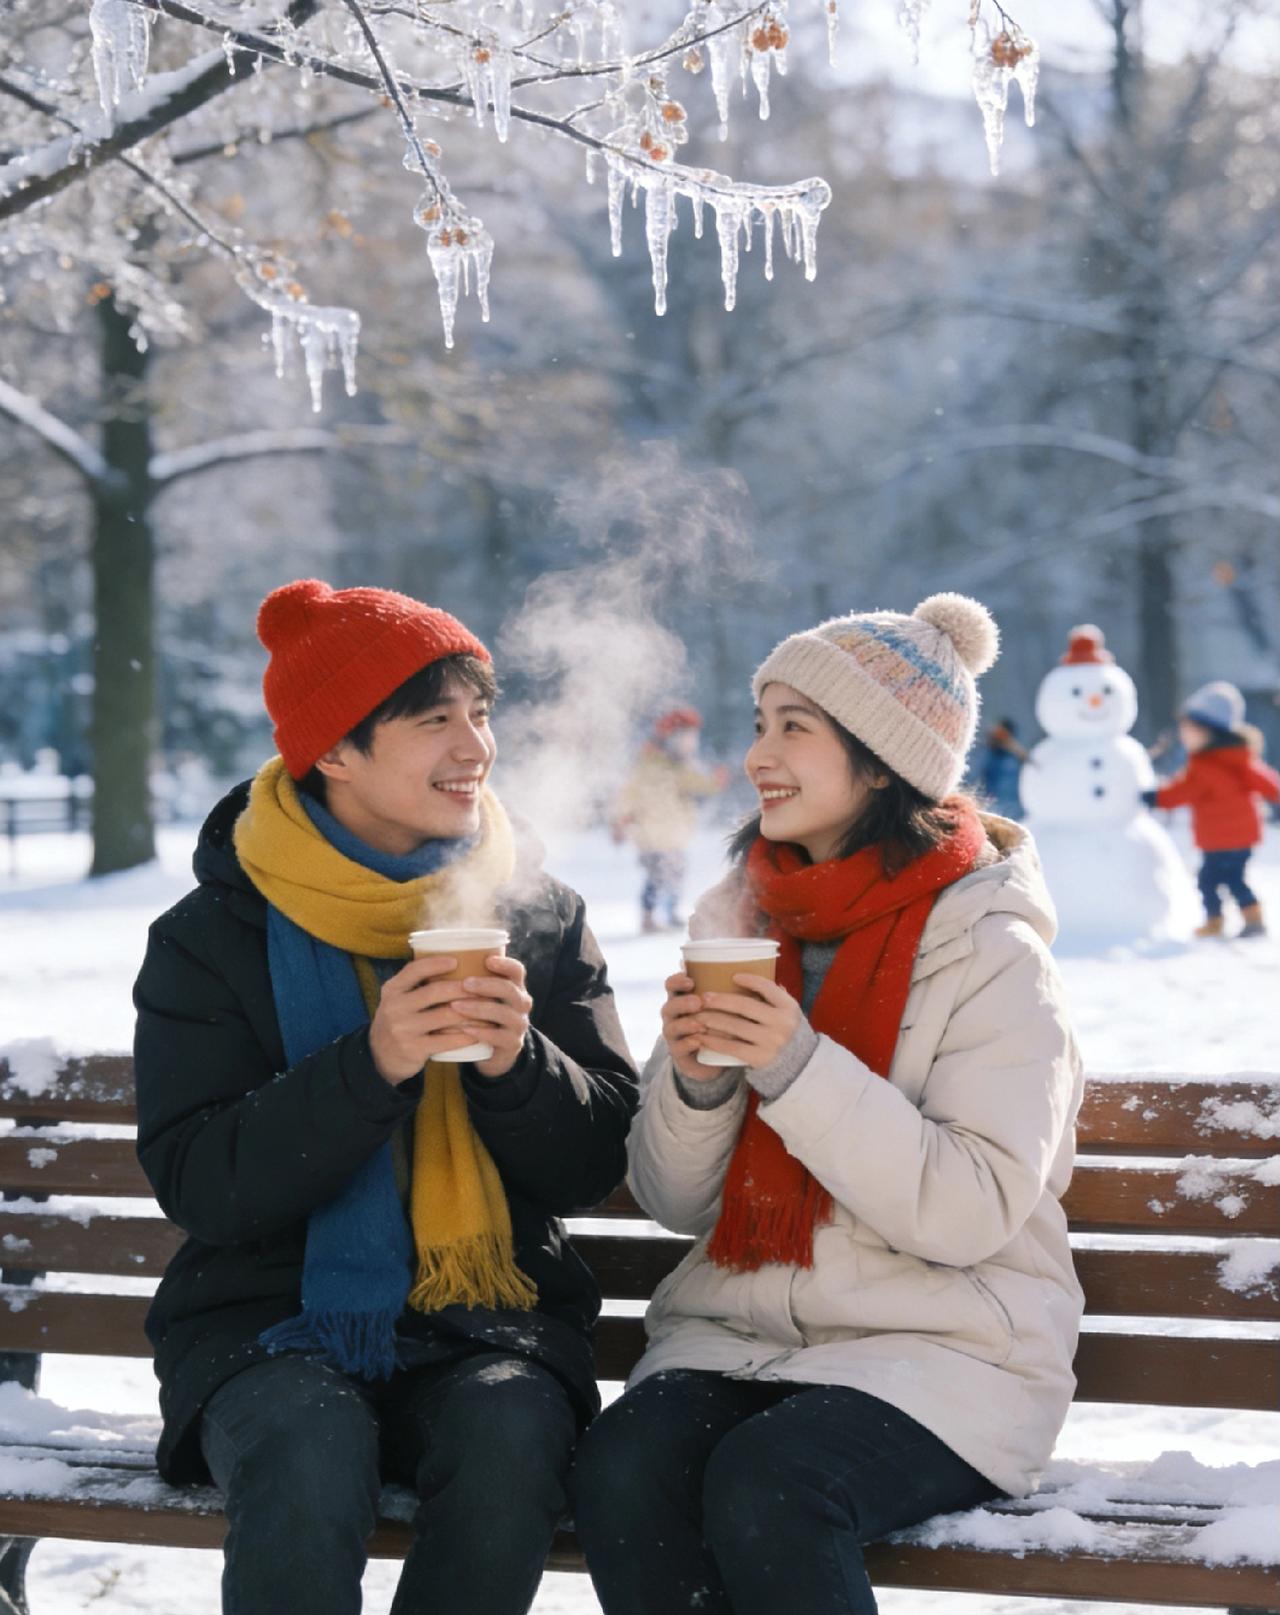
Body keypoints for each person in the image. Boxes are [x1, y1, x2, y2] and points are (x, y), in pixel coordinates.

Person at [572, 594, 1085, 1615]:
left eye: (793, 728)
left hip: (943, 1351)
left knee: (773, 1483)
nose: (758, 753)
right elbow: (676, 1202)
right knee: (620, 1465)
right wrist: (701, 1078)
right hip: (739, 1333)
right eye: (758, 722)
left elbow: (969, 1209)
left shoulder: (992, 951)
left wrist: (799, 1067)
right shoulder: (747, 924)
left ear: (883, 762)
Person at [133, 579, 638, 1615]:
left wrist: (516, 1062)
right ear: (333, 752)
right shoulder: (211, 936)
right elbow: (202, 1185)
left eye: (481, 713)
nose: (474, 746)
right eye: (432, 720)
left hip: (492, 1328)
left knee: (506, 1441)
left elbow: (595, 1162)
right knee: (308, 1445)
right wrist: (371, 1066)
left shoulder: (535, 918)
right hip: (267, 1326)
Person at [1140, 681, 1280, 938]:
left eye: (1189, 729)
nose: (1183, 735)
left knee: (1213, 880)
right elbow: (1268, 781)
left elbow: (1181, 792)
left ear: (1209, 731)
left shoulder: (1205, 766)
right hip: (1238, 837)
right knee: (1227, 879)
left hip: (1222, 839)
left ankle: (1227, 920)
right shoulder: (1240, 758)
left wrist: (1156, 798)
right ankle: (1239, 918)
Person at [611, 707, 728, 932]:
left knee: (675, 872)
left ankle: (670, 911)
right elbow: (628, 794)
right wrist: (621, 820)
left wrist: (715, 782)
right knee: (658, 876)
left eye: (692, 739)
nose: (690, 745)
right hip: (651, 836)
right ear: (670, 738)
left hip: (673, 835)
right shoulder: (650, 765)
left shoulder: (680, 766)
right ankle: (648, 915)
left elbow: (697, 783)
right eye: (685, 739)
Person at [975, 715, 1028, 819]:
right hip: (986, 810)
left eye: (1003, 735)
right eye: (997, 734)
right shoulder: (985, 753)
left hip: (1006, 813)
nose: (998, 738)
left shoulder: (1012, 762)